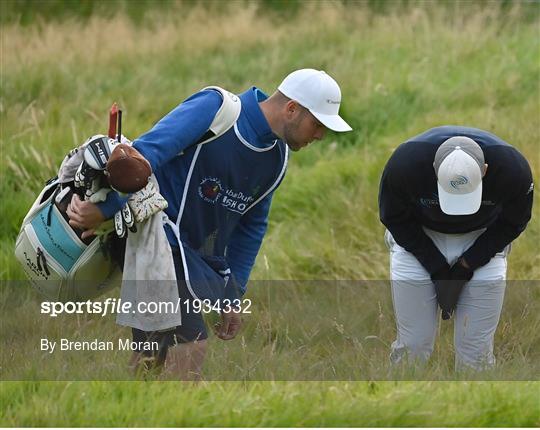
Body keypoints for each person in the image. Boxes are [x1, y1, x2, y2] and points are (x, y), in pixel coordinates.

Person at [66, 68, 352, 378]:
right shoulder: (215, 107)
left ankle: (134, 410)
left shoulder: (277, 159)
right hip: (156, 235)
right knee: (191, 345)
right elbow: (146, 155)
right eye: (317, 124)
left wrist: (232, 295)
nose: (320, 135)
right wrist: (107, 208)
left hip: (193, 256)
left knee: (151, 355)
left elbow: (251, 226)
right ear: (292, 108)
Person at [378, 126, 533, 370]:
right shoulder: (404, 166)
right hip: (419, 237)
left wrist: (466, 265)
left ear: (484, 171)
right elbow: (395, 218)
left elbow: (513, 222)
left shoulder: (514, 171)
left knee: (476, 351)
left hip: (482, 238)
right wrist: (436, 268)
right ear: (434, 171)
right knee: (414, 345)